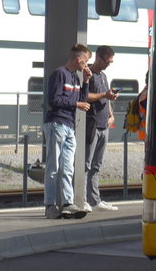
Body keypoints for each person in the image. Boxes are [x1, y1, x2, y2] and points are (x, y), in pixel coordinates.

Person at [43, 43, 91, 219]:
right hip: (57, 123)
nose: (86, 65)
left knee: (67, 167)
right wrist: (76, 104)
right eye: (85, 62)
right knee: (53, 166)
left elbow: (83, 101)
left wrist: (86, 81)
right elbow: (54, 99)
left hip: (69, 126)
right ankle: (50, 205)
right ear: (78, 59)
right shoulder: (60, 74)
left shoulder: (76, 78)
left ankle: (67, 203)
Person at [83, 45, 120, 211]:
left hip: (105, 124)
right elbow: (85, 96)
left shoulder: (104, 76)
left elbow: (107, 97)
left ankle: (94, 200)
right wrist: (105, 95)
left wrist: (111, 113)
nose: (109, 64)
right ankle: (82, 198)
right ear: (98, 57)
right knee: (86, 164)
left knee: (96, 165)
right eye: (107, 61)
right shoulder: (88, 75)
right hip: (92, 125)